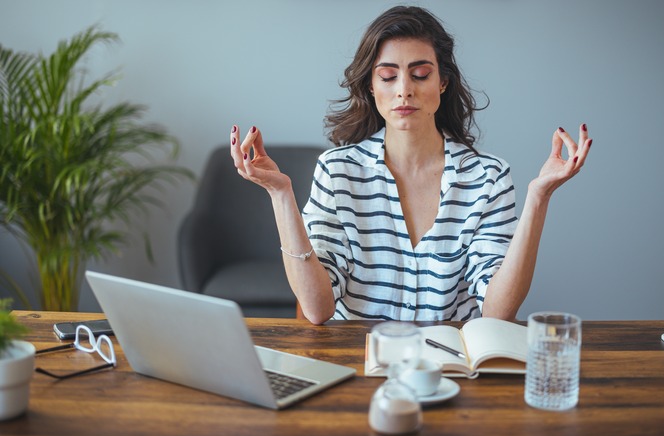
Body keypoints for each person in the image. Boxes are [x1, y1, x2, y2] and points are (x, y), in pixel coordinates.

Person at [229, 6, 591, 324]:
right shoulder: (337, 171)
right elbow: (317, 308)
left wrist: (539, 198)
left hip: (450, 373)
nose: (404, 89)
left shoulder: (488, 177)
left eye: (420, 74)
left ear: (443, 82)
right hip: (360, 367)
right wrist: (280, 194)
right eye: (388, 76)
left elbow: (496, 312)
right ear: (371, 86)